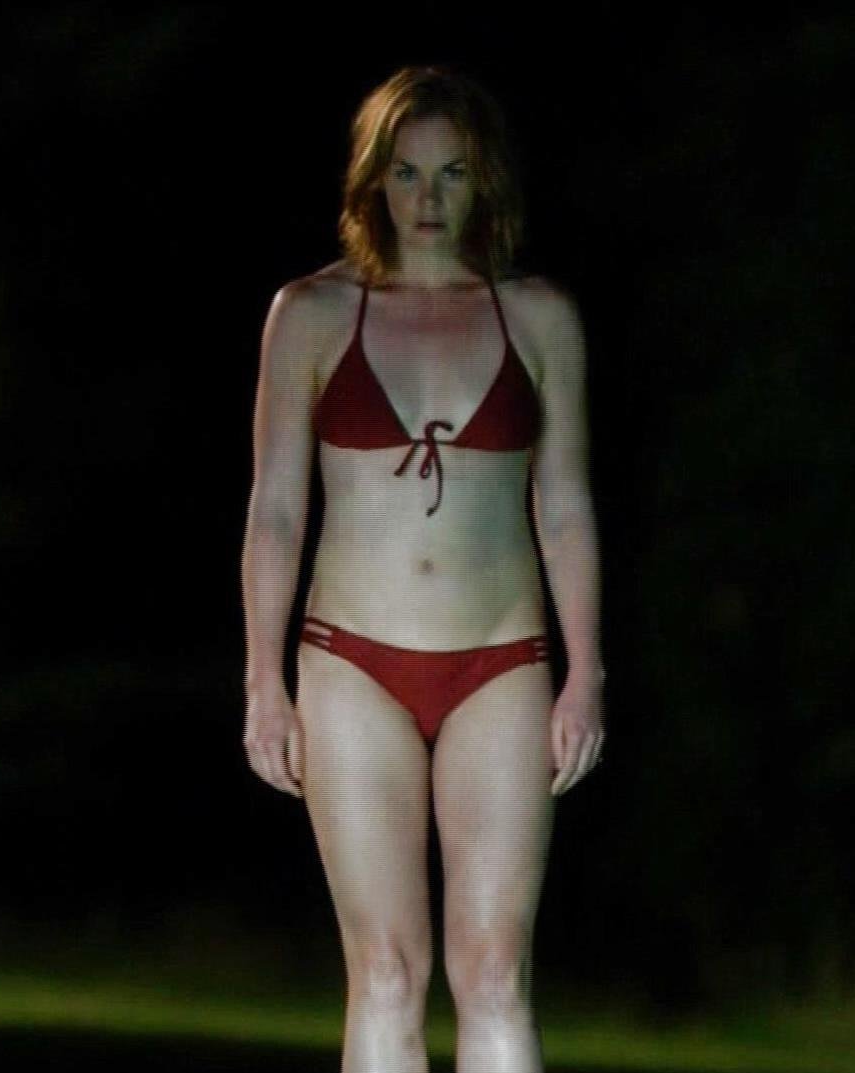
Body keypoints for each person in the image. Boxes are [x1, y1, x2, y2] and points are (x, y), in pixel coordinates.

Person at [241, 65, 605, 1073]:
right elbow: (276, 509)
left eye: (452, 173)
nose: (429, 198)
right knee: (388, 970)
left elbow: (565, 506)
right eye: (407, 173)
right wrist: (263, 680)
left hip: (502, 660)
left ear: (485, 180)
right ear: (374, 180)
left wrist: (586, 672)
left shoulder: (538, 316)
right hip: (350, 661)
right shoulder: (312, 313)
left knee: (493, 971)